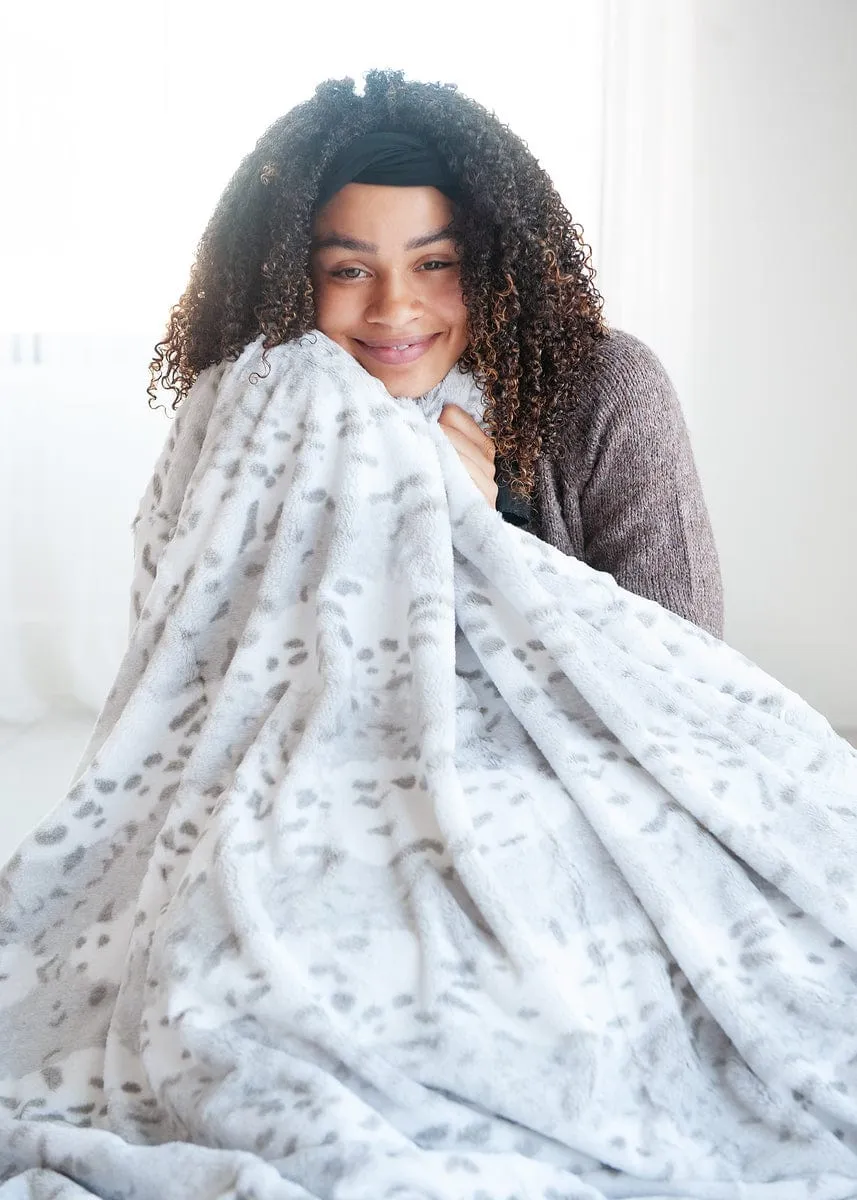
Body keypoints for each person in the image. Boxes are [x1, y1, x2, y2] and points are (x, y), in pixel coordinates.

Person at [149, 68, 724, 638]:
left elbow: (690, 683)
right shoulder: (252, 407)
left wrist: (488, 533)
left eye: (434, 264)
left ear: (494, 262)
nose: (395, 308)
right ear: (290, 281)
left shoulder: (609, 390)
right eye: (349, 270)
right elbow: (198, 675)